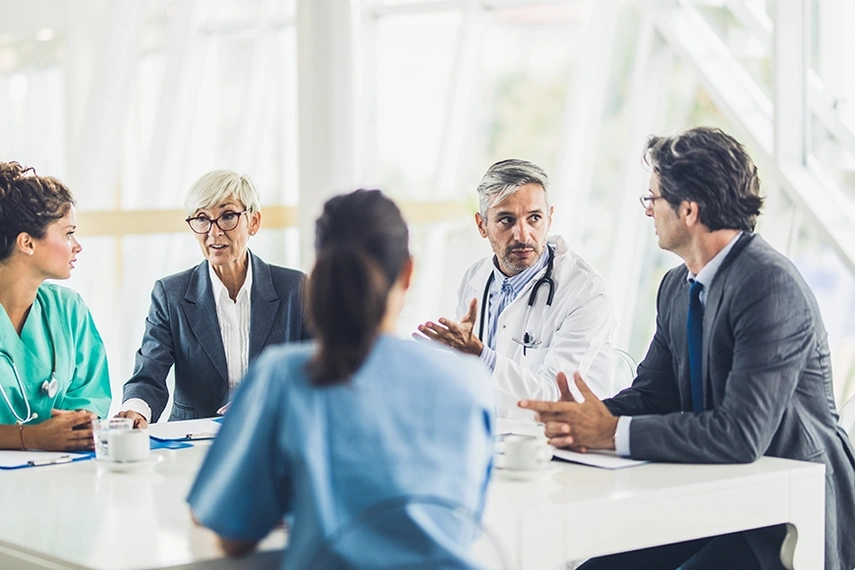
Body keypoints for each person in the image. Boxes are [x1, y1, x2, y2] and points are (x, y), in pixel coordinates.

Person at [520, 127, 855, 570]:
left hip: (784, 515)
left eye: (652, 200)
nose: (647, 212)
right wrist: (583, 417)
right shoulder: (677, 286)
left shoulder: (769, 284)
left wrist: (610, 432)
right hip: (714, 491)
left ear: (689, 210)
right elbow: (653, 395)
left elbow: (741, 434)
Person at [187, 189, 493, 569]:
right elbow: (462, 518)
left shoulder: (284, 376)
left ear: (318, 271)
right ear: (408, 272)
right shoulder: (469, 380)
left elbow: (232, 536)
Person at [417, 159, 617, 420]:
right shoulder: (475, 278)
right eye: (506, 220)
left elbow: (554, 397)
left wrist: (479, 354)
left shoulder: (586, 292)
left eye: (534, 218)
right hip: (491, 436)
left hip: (559, 445)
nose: (522, 235)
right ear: (481, 225)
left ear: (550, 218)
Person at [118, 170, 309, 428]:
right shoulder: (170, 294)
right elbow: (148, 374)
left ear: (253, 221)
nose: (214, 232)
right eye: (202, 219)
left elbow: (318, 370)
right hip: (194, 443)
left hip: (275, 433)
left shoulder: (295, 289)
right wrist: (135, 411)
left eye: (227, 216)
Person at [0, 161, 110, 451]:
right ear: (27, 243)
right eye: (68, 232)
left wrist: (78, 425)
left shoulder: (69, 309)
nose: (77, 245)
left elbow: (91, 397)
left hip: (62, 470)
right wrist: (30, 438)